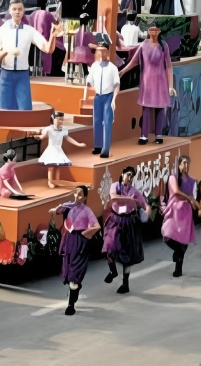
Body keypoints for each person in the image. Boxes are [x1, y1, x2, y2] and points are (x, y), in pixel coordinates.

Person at [0, 0, 61, 110]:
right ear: (10, 10)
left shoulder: (29, 30)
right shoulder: (2, 30)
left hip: (22, 76)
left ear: (24, 11)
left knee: (25, 111)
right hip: (6, 76)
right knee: (4, 112)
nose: (17, 12)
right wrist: (6, 52)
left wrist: (52, 36)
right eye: (14, 9)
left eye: (20, 9)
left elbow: (48, 49)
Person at [119, 22, 175, 145]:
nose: (154, 32)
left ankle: (159, 135)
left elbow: (169, 67)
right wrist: (123, 71)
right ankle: (144, 135)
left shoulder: (164, 46)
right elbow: (134, 62)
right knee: (146, 108)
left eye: (156, 30)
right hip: (147, 82)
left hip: (160, 82)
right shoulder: (143, 45)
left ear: (159, 31)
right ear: (148, 31)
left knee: (160, 108)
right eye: (152, 30)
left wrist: (171, 85)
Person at [51, 185, 100, 315]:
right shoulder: (70, 206)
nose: (77, 197)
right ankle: (75, 288)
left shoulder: (87, 211)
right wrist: (59, 208)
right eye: (75, 194)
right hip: (69, 239)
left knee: (74, 274)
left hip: (79, 242)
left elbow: (96, 226)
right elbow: (58, 211)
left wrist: (85, 234)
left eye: (80, 195)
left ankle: (70, 305)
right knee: (68, 273)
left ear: (85, 197)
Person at [102, 166, 151, 293]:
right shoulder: (115, 186)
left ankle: (125, 283)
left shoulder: (135, 191)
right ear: (122, 173)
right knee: (109, 245)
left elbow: (145, 204)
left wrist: (147, 212)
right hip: (115, 220)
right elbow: (113, 197)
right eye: (128, 174)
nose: (129, 178)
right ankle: (113, 271)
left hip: (129, 222)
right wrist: (130, 199)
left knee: (128, 253)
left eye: (132, 176)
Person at [162, 155, 199, 277]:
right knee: (166, 233)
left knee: (183, 241)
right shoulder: (173, 177)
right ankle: (176, 251)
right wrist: (189, 198)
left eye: (188, 163)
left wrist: (194, 203)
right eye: (183, 163)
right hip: (174, 211)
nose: (186, 166)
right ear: (179, 164)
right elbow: (176, 191)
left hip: (186, 212)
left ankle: (178, 269)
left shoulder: (192, 181)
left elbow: (194, 196)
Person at [85, 42, 120, 158]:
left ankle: (106, 149)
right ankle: (98, 145)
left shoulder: (113, 68)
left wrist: (114, 99)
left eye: (103, 51)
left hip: (108, 96)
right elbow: (89, 81)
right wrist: (87, 86)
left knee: (107, 122)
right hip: (98, 96)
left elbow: (116, 85)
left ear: (107, 52)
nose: (101, 54)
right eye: (99, 51)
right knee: (97, 121)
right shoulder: (94, 66)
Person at [38, 111, 86, 188]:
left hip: (58, 149)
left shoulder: (63, 130)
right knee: (51, 166)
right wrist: (40, 137)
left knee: (58, 165)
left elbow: (68, 138)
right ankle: (50, 181)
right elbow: (44, 136)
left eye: (62, 120)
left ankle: (56, 180)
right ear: (53, 119)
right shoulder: (49, 129)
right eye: (58, 119)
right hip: (51, 149)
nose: (60, 121)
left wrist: (78, 144)